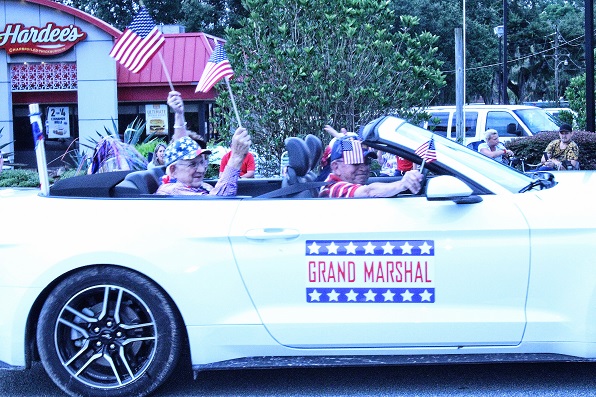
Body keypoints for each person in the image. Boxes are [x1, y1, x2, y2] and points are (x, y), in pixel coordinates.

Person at [155, 127, 251, 196]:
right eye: (192, 164)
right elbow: (218, 206)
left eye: (202, 162)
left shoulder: (202, 186)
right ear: (173, 170)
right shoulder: (170, 192)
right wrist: (236, 157)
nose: (201, 170)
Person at [319, 136, 423, 198]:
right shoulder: (334, 189)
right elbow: (369, 191)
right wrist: (402, 184)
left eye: (367, 161)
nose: (364, 168)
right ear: (336, 167)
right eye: (355, 163)